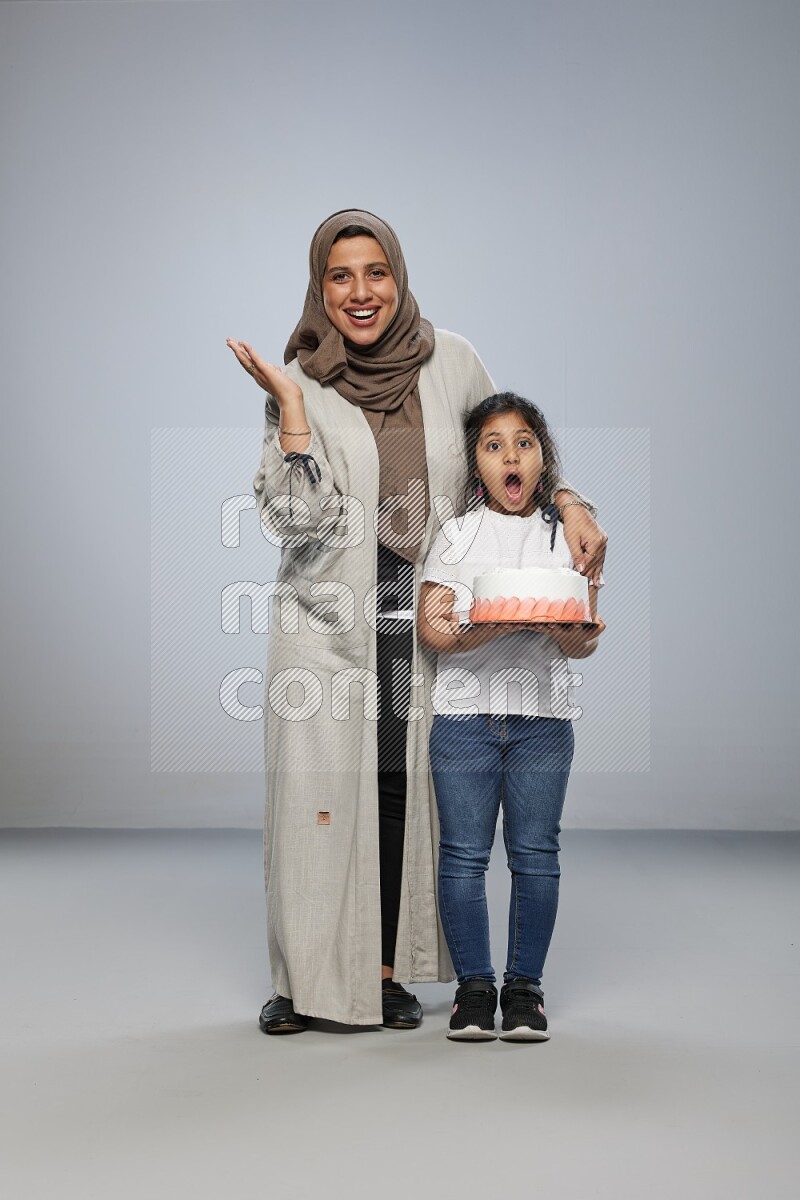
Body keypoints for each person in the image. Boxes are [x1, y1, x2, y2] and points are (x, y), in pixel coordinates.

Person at [226, 210, 607, 1033]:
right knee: (315, 798)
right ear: (319, 288)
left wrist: (572, 503)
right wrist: (292, 405)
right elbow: (294, 521)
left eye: (376, 273)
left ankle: (387, 973)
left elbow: (512, 458)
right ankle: (299, 984)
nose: (360, 293)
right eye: (340, 276)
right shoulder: (300, 376)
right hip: (326, 624)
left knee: (398, 795)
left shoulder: (453, 360)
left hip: (428, 617)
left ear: (398, 277)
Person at [417, 392, 605, 1041]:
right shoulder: (457, 533)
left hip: (543, 721)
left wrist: (572, 626)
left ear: (543, 457)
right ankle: (475, 988)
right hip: (465, 718)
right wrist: (482, 629)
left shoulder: (566, 537)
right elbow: (434, 629)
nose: (510, 455)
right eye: (493, 445)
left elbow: (583, 640)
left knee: (535, 855)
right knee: (465, 857)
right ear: (477, 464)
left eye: (523, 442)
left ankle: (525, 989)